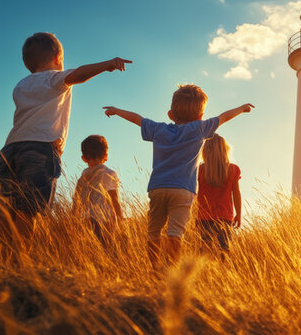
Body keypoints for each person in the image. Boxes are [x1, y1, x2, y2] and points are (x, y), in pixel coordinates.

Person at [0, 32, 131, 245]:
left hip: (10, 148)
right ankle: (18, 260)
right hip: (39, 149)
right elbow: (77, 75)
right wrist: (108, 64)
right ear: (58, 59)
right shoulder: (54, 78)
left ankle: (0, 255)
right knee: (27, 209)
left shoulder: (20, 86)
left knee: (8, 206)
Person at [102, 84, 253, 266]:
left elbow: (137, 119)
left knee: (154, 231)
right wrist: (241, 109)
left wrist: (116, 110)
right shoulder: (199, 129)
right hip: (183, 191)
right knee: (175, 233)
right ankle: (171, 269)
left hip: (158, 188)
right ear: (200, 116)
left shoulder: (158, 129)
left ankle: (154, 268)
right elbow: (223, 117)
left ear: (170, 115)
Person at [195, 134, 242, 257]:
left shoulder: (199, 170)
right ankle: (223, 275)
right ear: (225, 150)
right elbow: (236, 194)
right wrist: (238, 214)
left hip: (204, 219)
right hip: (225, 218)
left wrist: (194, 215)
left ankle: (205, 275)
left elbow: (194, 194)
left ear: (205, 151)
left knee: (204, 253)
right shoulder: (233, 170)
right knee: (224, 252)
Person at [72, 135, 123, 250]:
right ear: (106, 155)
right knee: (108, 250)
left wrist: (74, 219)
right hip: (105, 220)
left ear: (84, 158)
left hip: (85, 220)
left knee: (90, 250)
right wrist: (120, 219)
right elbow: (115, 200)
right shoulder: (109, 173)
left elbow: (76, 200)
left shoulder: (82, 178)